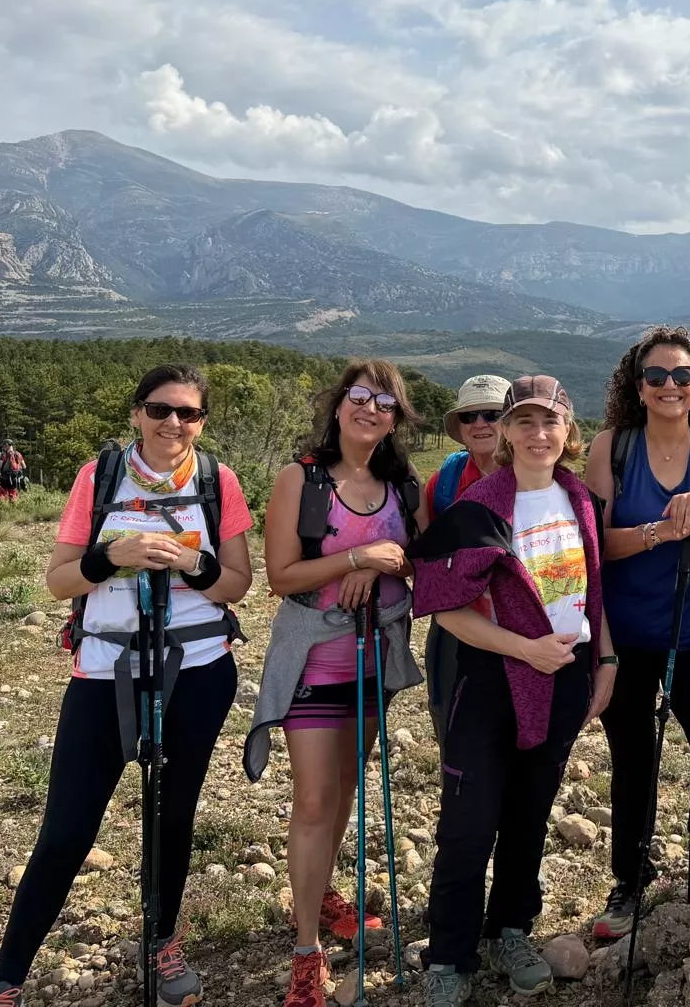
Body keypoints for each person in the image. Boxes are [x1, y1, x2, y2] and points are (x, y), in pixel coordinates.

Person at [0, 364, 255, 1007]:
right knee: (68, 830)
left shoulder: (218, 481)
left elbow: (237, 583)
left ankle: (160, 942)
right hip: (105, 671)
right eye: (160, 410)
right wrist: (114, 556)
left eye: (188, 413)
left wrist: (191, 562)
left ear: (202, 421)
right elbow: (60, 581)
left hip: (199, 666)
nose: (174, 424)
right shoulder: (98, 477)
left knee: (172, 815)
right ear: (136, 414)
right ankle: (8, 979)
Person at [414, 374, 615, 1006]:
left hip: (567, 673)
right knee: (470, 821)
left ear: (568, 432)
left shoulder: (579, 499)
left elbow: (593, 591)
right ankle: (449, 953)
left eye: (549, 422)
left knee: (530, 814)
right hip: (491, 677)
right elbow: (445, 607)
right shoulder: (479, 508)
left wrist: (604, 659)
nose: (538, 434)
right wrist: (525, 649)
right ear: (503, 432)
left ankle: (510, 928)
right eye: (523, 422)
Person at [585, 325, 690, 938]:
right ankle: (630, 879)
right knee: (634, 760)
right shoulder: (612, 447)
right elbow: (594, 545)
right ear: (637, 387)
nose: (669, 386)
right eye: (656, 377)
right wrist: (660, 529)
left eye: (682, 376)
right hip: (629, 637)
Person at [258, 360, 420, 1007]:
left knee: (346, 790)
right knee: (316, 801)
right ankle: (306, 951)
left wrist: (387, 561)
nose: (370, 408)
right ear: (339, 405)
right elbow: (281, 576)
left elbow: (419, 560)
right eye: (360, 396)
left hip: (373, 661)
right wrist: (354, 557)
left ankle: (320, 891)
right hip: (314, 663)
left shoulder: (403, 485)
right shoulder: (302, 478)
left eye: (384, 401)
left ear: (395, 418)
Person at [416, 374, 511, 531]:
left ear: (510, 422)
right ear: (460, 426)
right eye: (469, 416)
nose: (479, 424)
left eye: (492, 414)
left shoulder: (532, 479)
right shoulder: (444, 482)